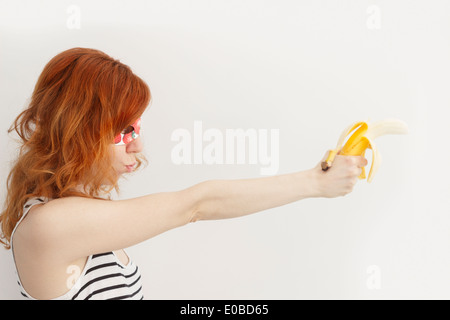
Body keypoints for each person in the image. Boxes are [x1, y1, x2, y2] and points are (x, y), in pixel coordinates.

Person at [0, 47, 367, 300]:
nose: (137, 146)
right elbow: (197, 205)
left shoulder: (76, 214)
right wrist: (314, 183)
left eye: (137, 129)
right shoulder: (50, 225)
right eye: (124, 131)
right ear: (80, 129)